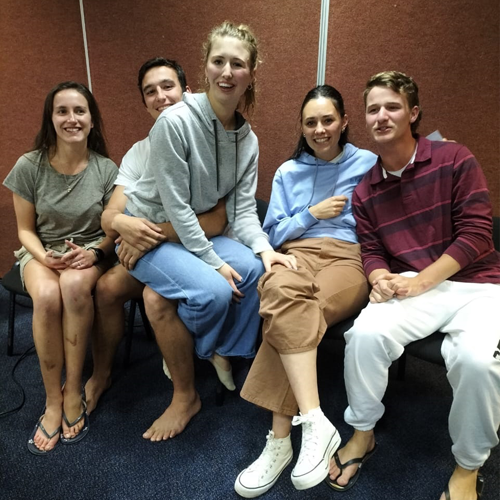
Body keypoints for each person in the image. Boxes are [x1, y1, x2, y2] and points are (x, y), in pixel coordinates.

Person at [326, 71, 500, 500]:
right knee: (364, 335)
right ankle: (363, 433)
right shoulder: (365, 190)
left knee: (478, 363)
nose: (381, 116)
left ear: (413, 113)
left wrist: (423, 280)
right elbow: (371, 250)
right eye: (373, 109)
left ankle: (467, 465)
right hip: (411, 286)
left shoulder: (455, 158)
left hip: (476, 285)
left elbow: (477, 235)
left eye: (392, 106)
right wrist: (378, 278)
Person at [122, 22, 296, 441]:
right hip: (150, 232)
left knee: (255, 270)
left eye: (238, 64)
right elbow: (177, 208)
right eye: (219, 61)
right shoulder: (174, 122)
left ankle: (220, 349)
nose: (227, 72)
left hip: (192, 232)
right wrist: (214, 262)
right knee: (215, 291)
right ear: (205, 67)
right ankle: (202, 358)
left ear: (251, 74)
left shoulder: (248, 141)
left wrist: (265, 248)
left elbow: (242, 211)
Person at [234, 85, 376, 497]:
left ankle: (279, 442)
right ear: (302, 126)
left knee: (291, 310)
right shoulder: (288, 172)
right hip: (296, 253)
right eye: (311, 122)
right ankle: (314, 421)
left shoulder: (368, 164)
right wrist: (311, 214)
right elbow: (273, 233)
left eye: (328, 120)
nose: (320, 129)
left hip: (348, 258)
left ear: (344, 121)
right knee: (282, 294)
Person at [85, 57, 228, 417]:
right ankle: (102, 374)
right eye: (151, 91)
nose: (160, 96)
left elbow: (217, 221)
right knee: (106, 288)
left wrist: (150, 235)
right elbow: (110, 217)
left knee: (156, 297)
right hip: (155, 252)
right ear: (145, 102)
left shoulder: (211, 142)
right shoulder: (139, 152)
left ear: (187, 91)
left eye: (168, 87)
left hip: (197, 248)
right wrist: (124, 225)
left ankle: (185, 393)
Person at [3, 82, 118, 454]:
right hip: (42, 251)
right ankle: (53, 400)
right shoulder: (29, 165)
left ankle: (74, 390)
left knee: (72, 285)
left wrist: (95, 253)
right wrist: (44, 257)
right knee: (48, 295)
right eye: (62, 111)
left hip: (89, 252)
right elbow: (24, 229)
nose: (72, 119)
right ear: (50, 119)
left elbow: (112, 231)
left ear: (92, 119)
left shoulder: (106, 169)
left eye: (80, 111)